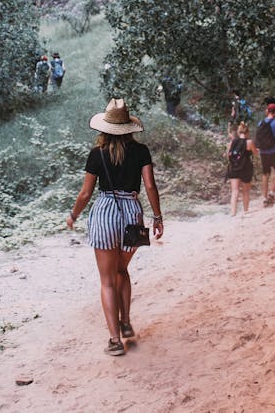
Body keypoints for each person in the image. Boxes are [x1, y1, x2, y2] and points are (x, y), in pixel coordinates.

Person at [66, 98, 164, 356]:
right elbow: (151, 186)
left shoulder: (97, 154)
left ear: (104, 128)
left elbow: (86, 193)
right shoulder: (141, 151)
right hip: (131, 211)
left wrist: (74, 215)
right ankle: (127, 323)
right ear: (129, 126)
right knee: (122, 271)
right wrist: (157, 217)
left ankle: (115, 340)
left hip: (106, 212)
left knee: (107, 281)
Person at [255, 102, 275, 207]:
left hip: (263, 152)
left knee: (265, 174)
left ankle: (264, 197)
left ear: (267, 111)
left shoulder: (260, 123)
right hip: (274, 151)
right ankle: (271, 192)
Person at [227, 122, 257, 216]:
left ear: (239, 132)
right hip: (246, 167)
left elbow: (228, 155)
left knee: (235, 191)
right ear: (247, 132)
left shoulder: (232, 142)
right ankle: (245, 211)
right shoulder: (249, 142)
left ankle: (233, 212)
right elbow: (255, 153)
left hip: (234, 167)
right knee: (245, 191)